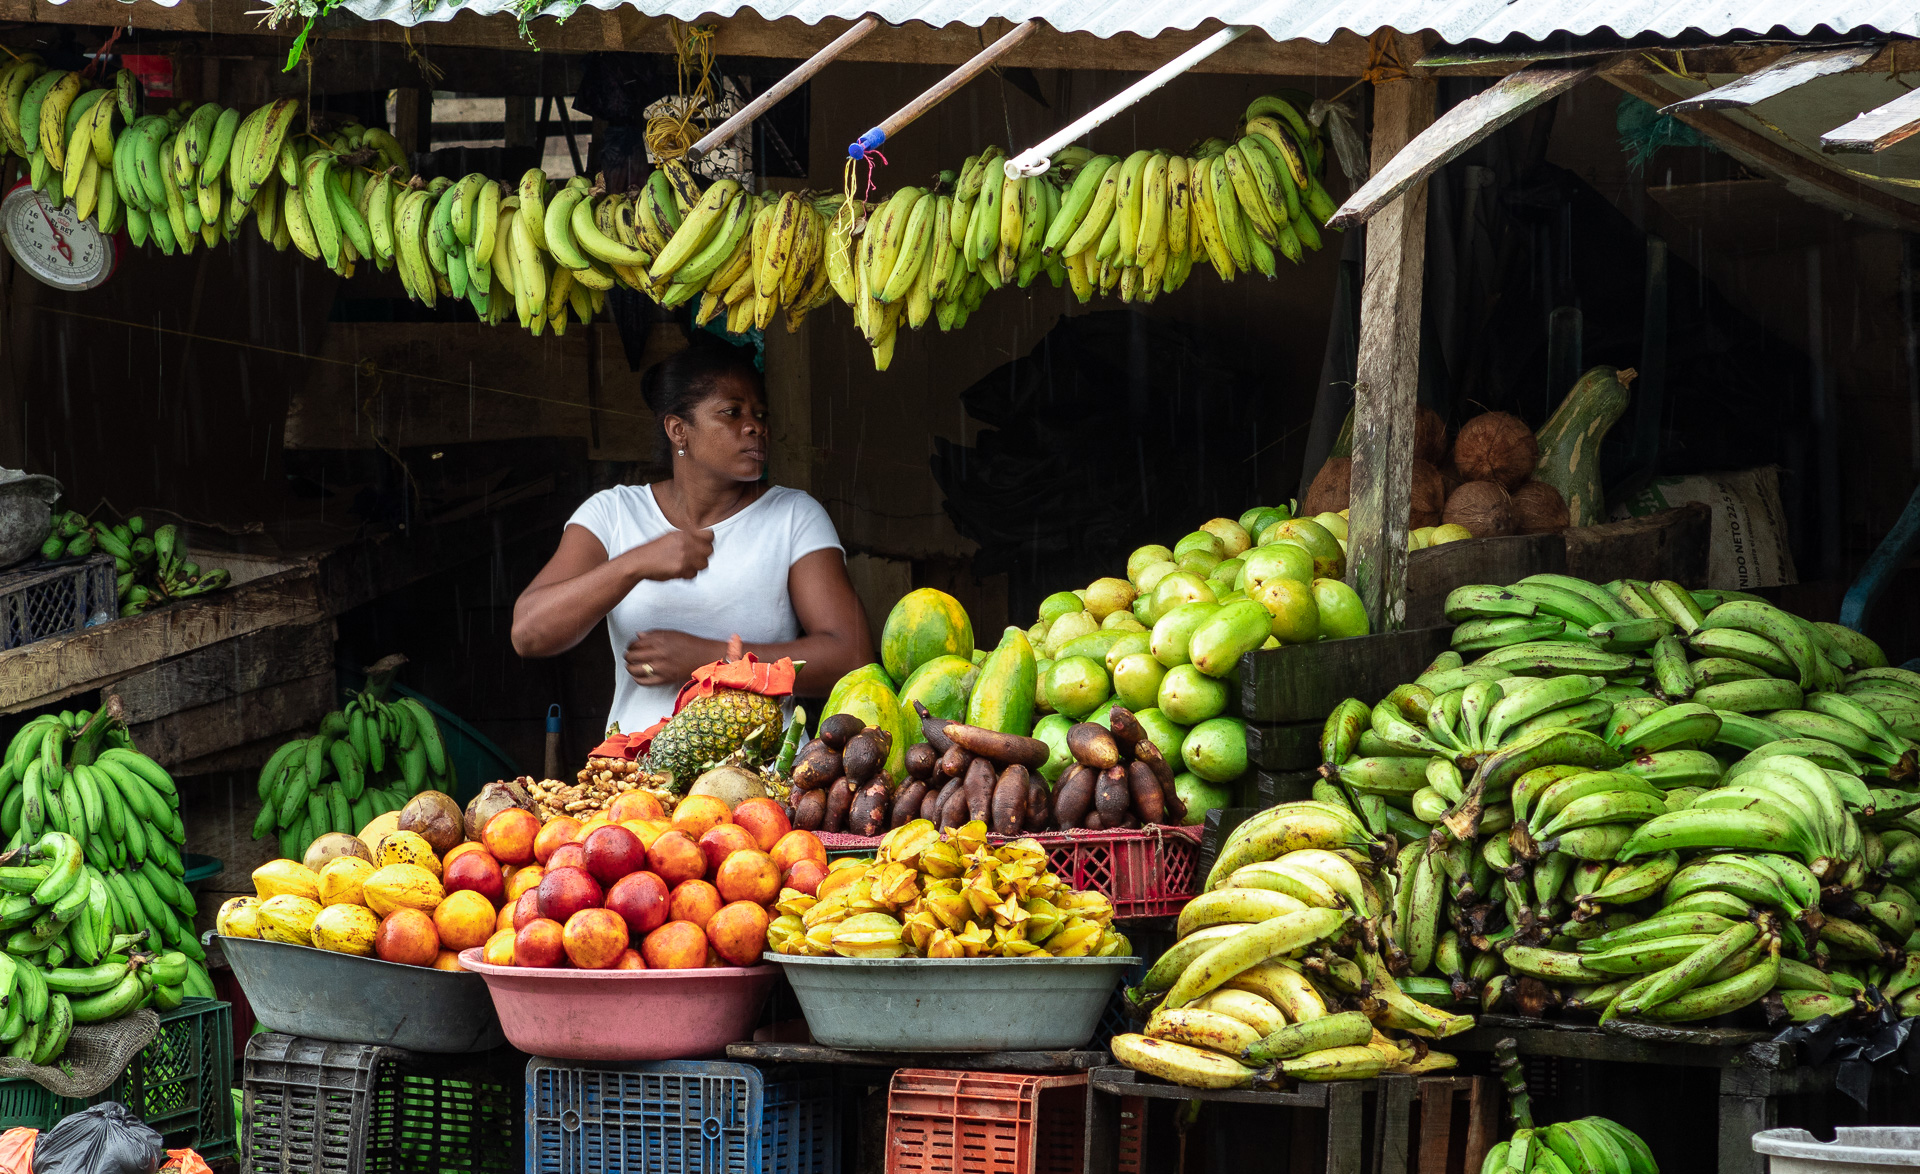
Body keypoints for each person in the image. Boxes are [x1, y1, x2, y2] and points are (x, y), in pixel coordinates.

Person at [510, 337, 873, 734]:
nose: (756, 427)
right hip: (639, 778)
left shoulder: (792, 515)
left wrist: (714, 660)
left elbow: (851, 656)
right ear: (678, 430)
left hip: (767, 780)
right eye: (732, 413)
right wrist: (635, 564)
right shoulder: (614, 513)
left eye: (760, 414)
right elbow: (529, 633)